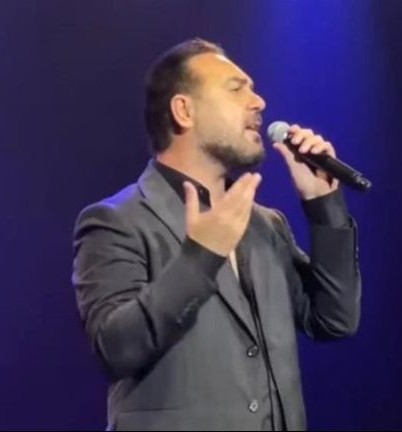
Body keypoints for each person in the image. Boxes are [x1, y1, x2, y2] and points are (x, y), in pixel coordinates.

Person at [71, 38, 362, 431]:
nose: (258, 102)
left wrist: (323, 206)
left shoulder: (266, 224)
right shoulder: (116, 220)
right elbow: (116, 349)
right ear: (184, 110)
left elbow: (333, 319)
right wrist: (200, 257)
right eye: (236, 89)